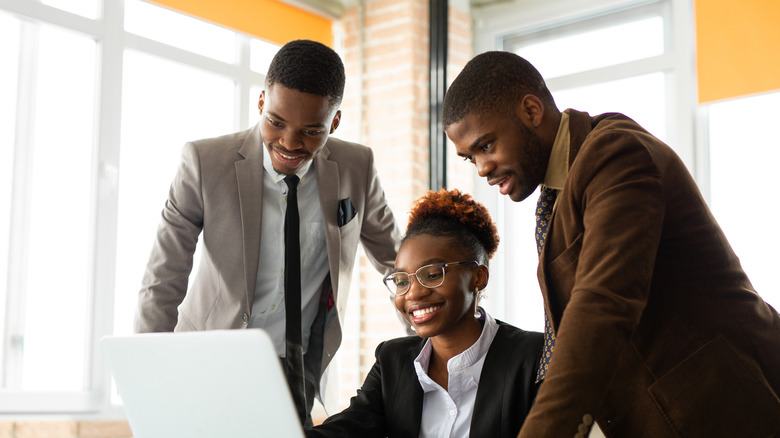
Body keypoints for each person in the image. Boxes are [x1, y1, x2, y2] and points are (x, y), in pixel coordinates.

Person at [442, 51, 780, 437]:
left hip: (728, 411)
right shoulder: (558, 191)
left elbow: (602, 305)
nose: (482, 168)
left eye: (486, 145)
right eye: (470, 158)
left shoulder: (616, 154)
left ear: (531, 110)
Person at [135, 40, 401, 426]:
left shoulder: (356, 166)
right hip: (209, 359)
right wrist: (149, 375)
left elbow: (398, 264)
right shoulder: (204, 163)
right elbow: (163, 278)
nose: (289, 143)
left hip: (297, 368)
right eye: (276, 122)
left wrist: (434, 341)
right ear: (261, 103)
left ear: (334, 123)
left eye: (311, 131)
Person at [307, 189, 543, 438]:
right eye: (401, 281)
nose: (413, 294)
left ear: (478, 277)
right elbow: (346, 429)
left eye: (432, 275)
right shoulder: (393, 361)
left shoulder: (533, 357)